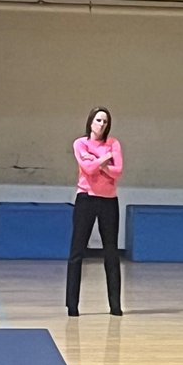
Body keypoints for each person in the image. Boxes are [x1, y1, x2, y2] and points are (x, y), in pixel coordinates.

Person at [66, 107, 124, 318]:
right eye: (98, 120)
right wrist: (104, 160)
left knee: (111, 252)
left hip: (109, 201)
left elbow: (118, 171)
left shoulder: (113, 144)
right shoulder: (80, 143)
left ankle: (115, 305)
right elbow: (87, 169)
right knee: (77, 251)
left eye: (105, 122)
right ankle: (72, 305)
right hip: (86, 198)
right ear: (91, 122)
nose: (101, 125)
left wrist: (97, 162)